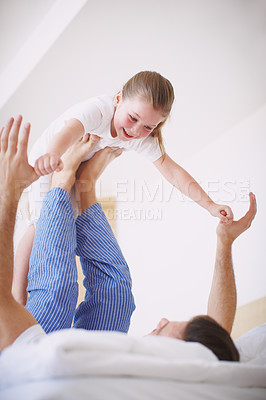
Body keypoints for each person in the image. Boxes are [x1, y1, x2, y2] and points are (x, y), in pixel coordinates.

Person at [0, 116, 256, 362]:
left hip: (61, 365)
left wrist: (9, 192)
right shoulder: (206, 371)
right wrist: (224, 242)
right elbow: (217, 337)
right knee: (117, 293)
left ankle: (62, 180)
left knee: (58, 291)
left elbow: (7, 309)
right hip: (104, 359)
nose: (162, 320)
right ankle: (86, 184)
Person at [12, 71, 234, 305]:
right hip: (49, 158)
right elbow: (69, 131)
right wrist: (53, 154)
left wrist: (210, 205)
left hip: (77, 167)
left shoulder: (140, 137)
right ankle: (17, 292)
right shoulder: (98, 110)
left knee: (67, 225)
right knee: (41, 223)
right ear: (118, 99)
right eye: (133, 118)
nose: (137, 131)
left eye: (149, 127)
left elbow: (173, 172)